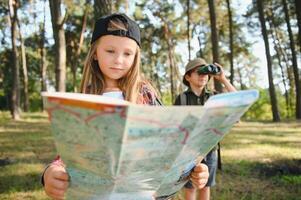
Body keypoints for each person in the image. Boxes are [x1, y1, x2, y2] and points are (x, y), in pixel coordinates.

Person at [42, 13, 209, 199]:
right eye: (110, 51)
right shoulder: (85, 98)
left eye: (127, 53)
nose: (119, 60)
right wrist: (51, 170)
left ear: (135, 57)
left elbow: (170, 141)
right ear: (95, 53)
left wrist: (193, 169)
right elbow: (71, 150)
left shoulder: (146, 93)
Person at [174, 58, 236, 200]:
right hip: (188, 151)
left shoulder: (214, 97)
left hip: (210, 150)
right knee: (189, 187)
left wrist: (223, 79)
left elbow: (237, 100)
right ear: (188, 77)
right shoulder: (182, 98)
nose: (203, 75)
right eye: (198, 72)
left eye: (205, 72)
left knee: (205, 186)